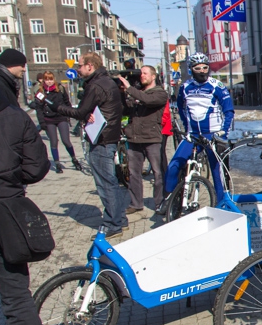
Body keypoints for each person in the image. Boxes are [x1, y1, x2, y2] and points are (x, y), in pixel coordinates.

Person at [0, 84, 51, 325]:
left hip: (5, 212)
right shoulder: (15, 116)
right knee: (16, 295)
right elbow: (36, 166)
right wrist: (12, 181)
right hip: (6, 210)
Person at [56, 52, 128, 240]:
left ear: (90, 66)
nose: (78, 69)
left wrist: (58, 108)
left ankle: (113, 224)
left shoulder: (96, 85)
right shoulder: (106, 81)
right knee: (110, 181)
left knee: (105, 183)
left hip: (101, 138)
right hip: (108, 136)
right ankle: (119, 218)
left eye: (80, 65)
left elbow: (80, 112)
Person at [157, 52, 234, 214]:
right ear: (191, 69)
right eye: (197, 68)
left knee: (217, 173)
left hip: (213, 135)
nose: (202, 71)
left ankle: (222, 207)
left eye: (205, 67)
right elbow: (181, 108)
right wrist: (186, 127)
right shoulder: (185, 87)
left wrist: (223, 133)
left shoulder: (217, 86)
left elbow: (228, 111)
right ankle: (169, 199)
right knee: (173, 166)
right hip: (192, 135)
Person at [119, 65, 169, 214]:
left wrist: (129, 89)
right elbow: (125, 110)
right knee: (133, 173)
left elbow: (147, 100)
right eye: (140, 73)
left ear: (153, 76)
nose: (142, 76)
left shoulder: (160, 93)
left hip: (152, 138)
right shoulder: (136, 92)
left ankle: (160, 202)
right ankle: (136, 203)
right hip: (134, 138)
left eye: (145, 73)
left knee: (158, 173)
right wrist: (122, 93)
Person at [33, 71, 81, 173]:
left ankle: (74, 159)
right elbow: (39, 109)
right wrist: (42, 123)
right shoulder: (40, 92)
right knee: (54, 142)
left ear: (54, 79)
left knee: (66, 141)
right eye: (46, 79)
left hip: (61, 117)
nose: (49, 82)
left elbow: (67, 103)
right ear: (43, 80)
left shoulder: (60, 89)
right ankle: (57, 164)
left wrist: (70, 114)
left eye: (51, 79)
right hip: (49, 119)